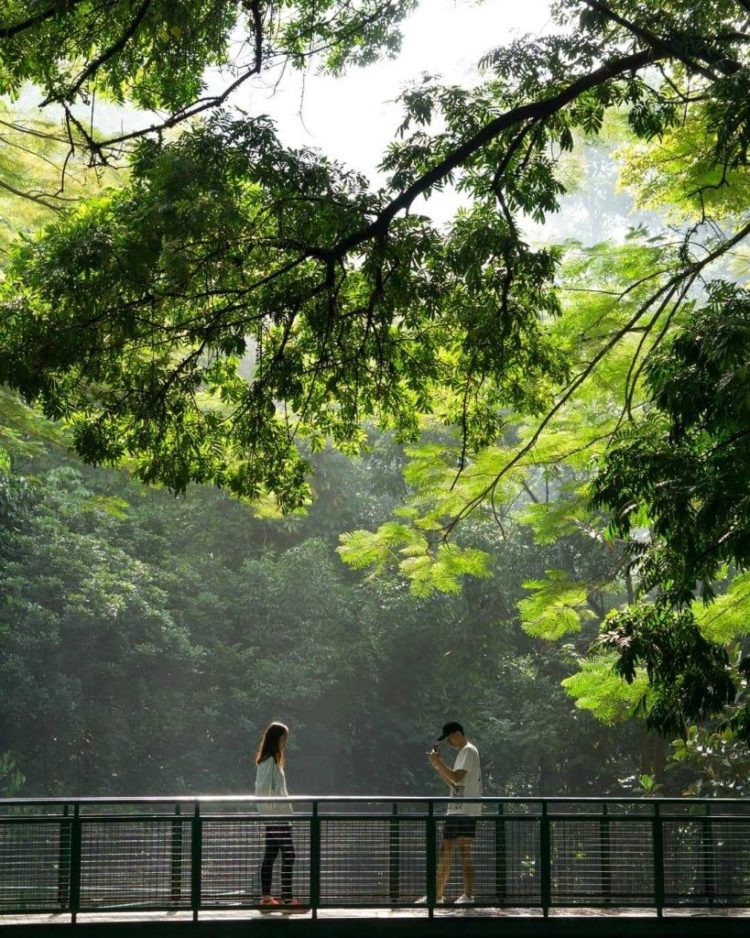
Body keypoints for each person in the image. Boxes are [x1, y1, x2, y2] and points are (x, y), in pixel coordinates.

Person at [420, 720, 482, 905]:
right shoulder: (463, 753)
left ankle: (468, 896)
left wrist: (439, 761)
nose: (448, 743)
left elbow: (456, 776)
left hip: (466, 810)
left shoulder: (469, 750)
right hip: (456, 809)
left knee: (464, 851)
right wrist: (437, 765)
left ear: (457, 734)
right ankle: (436, 895)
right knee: (445, 850)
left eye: (449, 739)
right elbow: (453, 782)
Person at [255, 721, 305, 912]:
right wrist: (274, 814)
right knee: (289, 855)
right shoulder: (269, 762)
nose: (285, 742)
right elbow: (264, 792)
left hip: (276, 817)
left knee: (271, 855)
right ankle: (286, 899)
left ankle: (267, 899)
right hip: (277, 818)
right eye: (284, 738)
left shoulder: (270, 761)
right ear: (276, 739)